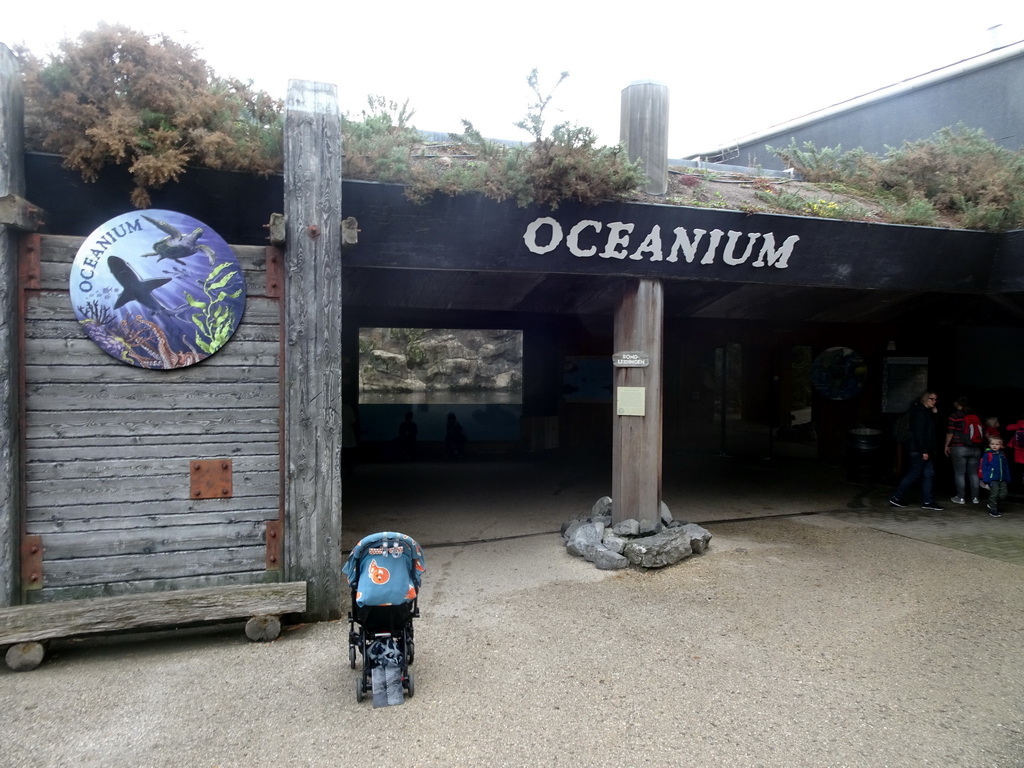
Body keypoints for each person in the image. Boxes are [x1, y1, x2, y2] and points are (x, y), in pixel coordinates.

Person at [890, 391, 944, 511]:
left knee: (928, 474)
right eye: (932, 399)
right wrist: (923, 451)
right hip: (919, 450)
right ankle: (897, 497)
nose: (934, 402)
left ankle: (927, 501)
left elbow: (933, 429)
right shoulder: (919, 413)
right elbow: (919, 434)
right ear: (925, 399)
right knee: (914, 474)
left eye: (936, 400)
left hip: (923, 450)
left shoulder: (926, 413)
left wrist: (935, 414)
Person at [944, 396, 982, 505]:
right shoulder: (976, 416)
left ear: (957, 403)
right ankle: (975, 498)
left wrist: (946, 445)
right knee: (973, 474)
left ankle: (961, 498)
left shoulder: (955, 415)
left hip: (959, 448)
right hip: (975, 448)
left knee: (960, 474)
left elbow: (950, 432)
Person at [979, 434, 1011, 517]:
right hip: (992, 479)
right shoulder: (988, 454)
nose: (994, 446)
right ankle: (993, 509)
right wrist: (986, 479)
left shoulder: (1002, 455)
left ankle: (993, 504)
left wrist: (1008, 477)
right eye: (992, 444)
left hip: (1002, 479)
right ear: (989, 445)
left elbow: (1006, 466)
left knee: (1003, 494)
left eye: (997, 444)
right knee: (994, 494)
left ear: (1001, 445)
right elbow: (984, 467)